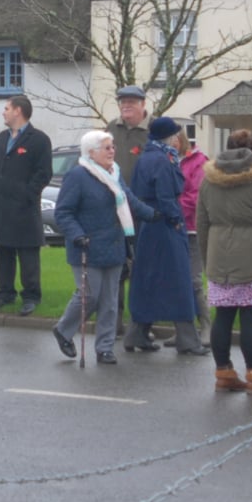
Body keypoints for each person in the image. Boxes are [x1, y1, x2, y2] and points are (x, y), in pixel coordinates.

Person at [195, 129, 252, 393]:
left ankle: (223, 371)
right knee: (251, 316)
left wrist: (207, 258)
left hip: (219, 256)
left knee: (223, 316)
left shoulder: (208, 181)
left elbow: (201, 224)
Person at [51, 130, 155, 365]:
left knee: (109, 301)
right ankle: (63, 330)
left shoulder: (114, 173)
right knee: (89, 295)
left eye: (112, 146)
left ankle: (105, 348)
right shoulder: (77, 176)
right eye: (106, 147)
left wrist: (155, 215)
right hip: (86, 246)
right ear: (91, 152)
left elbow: (129, 200)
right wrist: (77, 235)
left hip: (114, 245)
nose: (112, 151)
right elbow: (63, 212)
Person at [126, 116, 204, 355]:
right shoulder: (162, 160)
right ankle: (187, 340)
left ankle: (136, 334)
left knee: (148, 280)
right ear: (169, 136)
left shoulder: (147, 157)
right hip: (164, 226)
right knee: (178, 280)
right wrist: (175, 220)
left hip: (149, 226)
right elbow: (166, 195)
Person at [0, 94, 52, 316]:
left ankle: (31, 296)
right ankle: (5, 294)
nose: (3, 112)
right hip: (0, 207)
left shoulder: (38, 139)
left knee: (28, 254)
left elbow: (44, 173)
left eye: (6, 108)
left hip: (24, 208)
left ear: (18, 111)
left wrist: (28, 194)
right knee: (3, 253)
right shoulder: (1, 138)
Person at [106, 84, 151, 339]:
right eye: (122, 102)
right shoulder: (111, 129)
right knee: (117, 268)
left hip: (143, 211)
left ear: (143, 105)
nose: (126, 106)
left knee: (142, 270)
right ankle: (115, 322)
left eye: (132, 102)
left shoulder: (154, 131)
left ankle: (140, 325)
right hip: (115, 211)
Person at [173, 128, 209, 320]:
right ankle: (183, 328)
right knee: (177, 280)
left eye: (173, 140)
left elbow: (196, 196)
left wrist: (172, 208)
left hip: (192, 228)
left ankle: (205, 325)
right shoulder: (170, 160)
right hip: (174, 227)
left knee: (194, 279)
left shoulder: (198, 162)